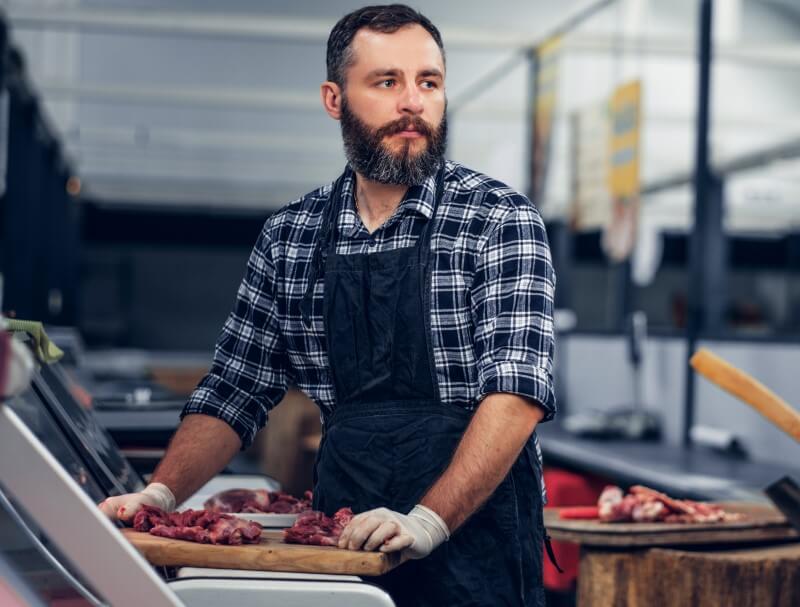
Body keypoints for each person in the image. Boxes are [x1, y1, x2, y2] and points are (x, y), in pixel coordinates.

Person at [100, 5, 556, 605]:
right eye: (387, 82)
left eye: (429, 82)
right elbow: (235, 389)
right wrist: (160, 495)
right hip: (344, 545)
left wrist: (426, 522)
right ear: (334, 99)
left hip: (477, 547)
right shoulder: (291, 236)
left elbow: (515, 396)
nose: (413, 102)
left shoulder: (498, 219)